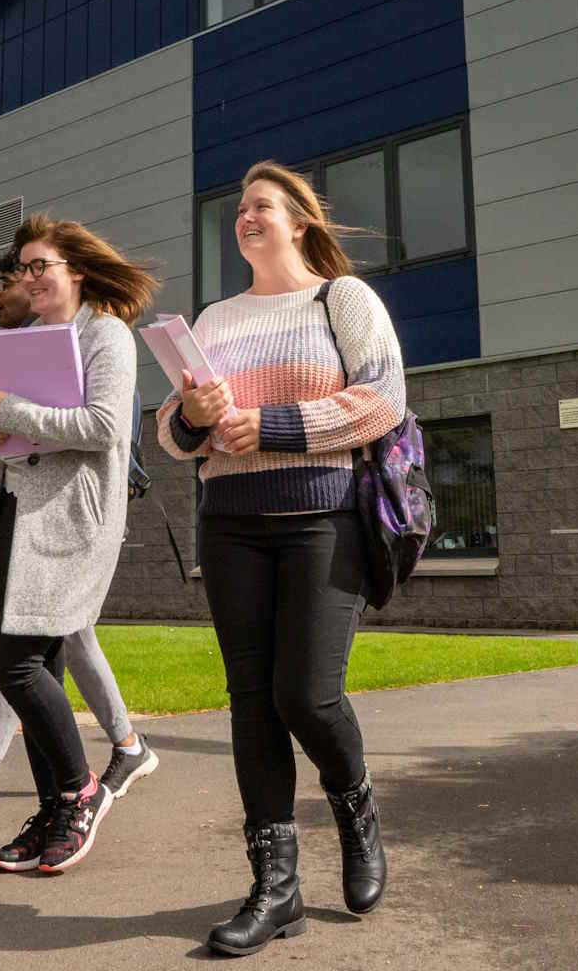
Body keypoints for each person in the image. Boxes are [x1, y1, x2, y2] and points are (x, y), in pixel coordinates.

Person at [157, 161, 405, 955]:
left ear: (299, 221)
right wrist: (194, 415)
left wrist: (271, 426)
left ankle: (355, 805)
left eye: (261, 205)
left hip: (321, 521)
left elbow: (383, 400)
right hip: (229, 524)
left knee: (306, 695)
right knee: (252, 702)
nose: (245, 216)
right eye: (239, 208)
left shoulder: (343, 299)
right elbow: (170, 433)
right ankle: (277, 888)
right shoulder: (215, 318)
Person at [0, 249, 158, 839]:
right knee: (42, 657)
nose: (20, 283)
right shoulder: (25, 342)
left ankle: (59, 790)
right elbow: (12, 438)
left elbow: (103, 427)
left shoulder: (105, 335)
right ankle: (59, 806)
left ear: (75, 269)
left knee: (16, 660)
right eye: (19, 273)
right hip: (16, 512)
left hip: (69, 521)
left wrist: (17, 414)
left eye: (34, 268)